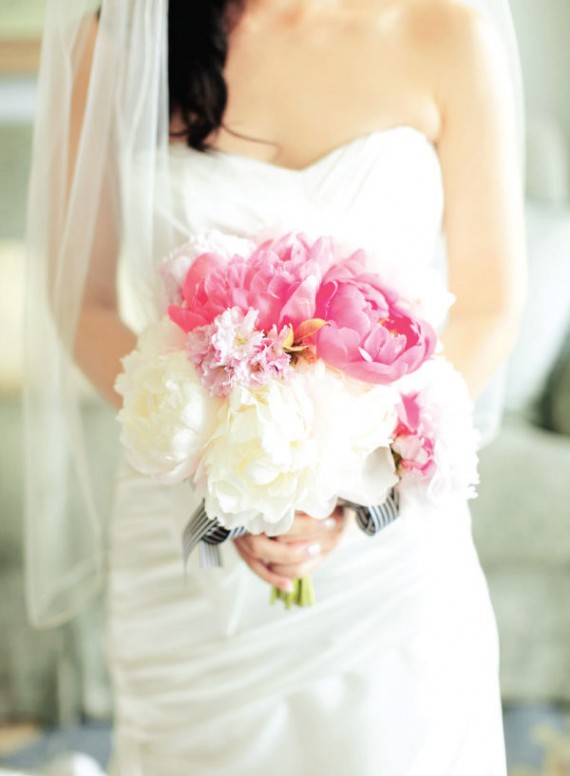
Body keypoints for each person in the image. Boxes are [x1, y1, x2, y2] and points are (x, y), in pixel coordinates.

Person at [25, 0, 527, 773]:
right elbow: (81, 301)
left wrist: (349, 472)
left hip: (386, 555)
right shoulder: (120, 42)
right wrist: (225, 457)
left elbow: (492, 302)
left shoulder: (447, 31)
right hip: (190, 553)